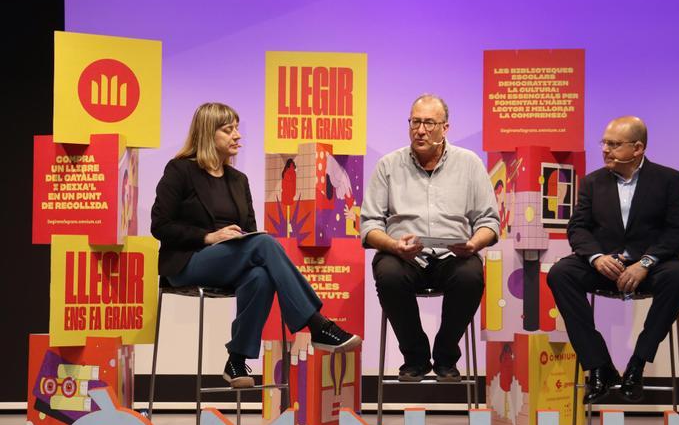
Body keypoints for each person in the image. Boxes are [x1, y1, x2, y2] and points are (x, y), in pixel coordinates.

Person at [151, 102, 361, 388]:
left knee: (261, 275)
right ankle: (316, 324)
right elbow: (160, 225)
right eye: (228, 130)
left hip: (229, 262)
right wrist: (208, 237)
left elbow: (248, 232)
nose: (237, 135)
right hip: (190, 260)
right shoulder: (180, 171)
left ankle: (236, 360)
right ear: (207, 134)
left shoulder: (238, 180)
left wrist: (241, 240)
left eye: (236, 128)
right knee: (263, 243)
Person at [547, 116, 679, 403]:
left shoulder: (669, 180)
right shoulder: (592, 182)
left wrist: (646, 262)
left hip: (650, 266)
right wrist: (596, 257)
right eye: (604, 143)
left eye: (614, 145)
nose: (606, 150)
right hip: (606, 265)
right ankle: (599, 366)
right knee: (560, 273)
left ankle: (637, 365)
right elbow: (578, 228)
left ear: (638, 148)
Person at [361, 94, 500, 382]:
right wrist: (394, 246)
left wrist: (473, 244)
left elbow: (489, 221)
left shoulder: (469, 163)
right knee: (387, 272)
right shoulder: (388, 165)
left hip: (454, 256)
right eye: (415, 122)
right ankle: (415, 358)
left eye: (428, 123)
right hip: (404, 256)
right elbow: (370, 225)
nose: (420, 130)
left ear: (445, 128)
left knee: (471, 275)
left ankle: (446, 356)